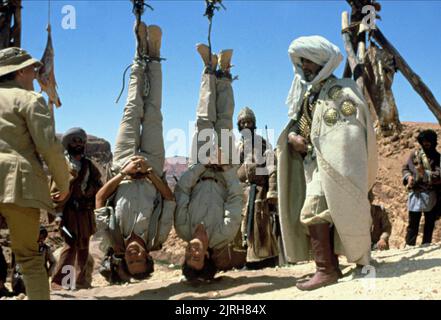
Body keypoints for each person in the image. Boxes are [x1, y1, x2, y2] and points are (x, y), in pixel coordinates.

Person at [276, 36, 378, 291]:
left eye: (309, 61)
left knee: (312, 211)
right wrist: (292, 136)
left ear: (321, 61)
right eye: (302, 62)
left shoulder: (340, 92)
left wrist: (307, 146)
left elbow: (345, 138)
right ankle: (329, 265)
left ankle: (326, 269)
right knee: (320, 211)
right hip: (313, 166)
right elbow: (307, 124)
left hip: (329, 166)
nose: (305, 67)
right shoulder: (312, 94)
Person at [94, 22, 175, 284]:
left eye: (131, 261)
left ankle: (139, 55)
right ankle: (155, 55)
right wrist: (150, 173)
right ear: (149, 257)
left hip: (123, 167)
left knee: (131, 109)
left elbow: (99, 199)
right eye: (140, 259)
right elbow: (169, 199)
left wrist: (125, 173)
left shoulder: (113, 238)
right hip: (151, 167)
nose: (135, 255)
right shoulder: (156, 237)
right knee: (153, 112)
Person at [0, 47, 70, 299]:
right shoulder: (30, 99)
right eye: (32, 69)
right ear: (19, 71)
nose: (36, 74)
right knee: (29, 258)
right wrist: (63, 183)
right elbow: (49, 147)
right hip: (18, 185)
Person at [174, 44, 245, 282]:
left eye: (188, 256)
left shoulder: (183, 228)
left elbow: (183, 190)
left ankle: (207, 69)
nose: (192, 252)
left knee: (204, 120)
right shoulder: (223, 234)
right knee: (224, 121)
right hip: (225, 170)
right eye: (197, 257)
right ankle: (224, 72)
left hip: (200, 167)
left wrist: (203, 165)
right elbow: (235, 198)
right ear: (207, 256)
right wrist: (225, 168)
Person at [50, 128, 102, 290]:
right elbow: (55, 192)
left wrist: (89, 191)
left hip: (85, 213)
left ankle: (82, 281)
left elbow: (98, 185)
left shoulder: (88, 165)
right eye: (75, 141)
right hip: (68, 214)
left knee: (84, 246)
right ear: (68, 143)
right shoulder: (62, 164)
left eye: (81, 141)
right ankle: (60, 282)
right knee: (70, 245)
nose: (79, 144)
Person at [236, 107, 279, 269]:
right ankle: (247, 259)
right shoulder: (237, 146)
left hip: (259, 190)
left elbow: (272, 168)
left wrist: (272, 191)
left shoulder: (262, 144)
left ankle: (263, 260)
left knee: (259, 225)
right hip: (242, 192)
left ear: (254, 124)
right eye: (243, 122)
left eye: (249, 122)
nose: (246, 124)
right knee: (244, 226)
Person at [403, 129, 441, 246]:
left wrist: (425, 174)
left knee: (429, 222)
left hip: (430, 194)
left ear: (433, 142)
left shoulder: (438, 157)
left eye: (428, 141)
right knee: (413, 222)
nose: (426, 144)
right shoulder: (414, 155)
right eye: (424, 141)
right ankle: (410, 246)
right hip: (416, 193)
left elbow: (439, 175)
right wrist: (408, 177)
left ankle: (426, 245)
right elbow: (405, 169)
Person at [12, 225, 56, 295]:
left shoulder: (45, 249)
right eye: (39, 237)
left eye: (43, 238)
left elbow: (53, 262)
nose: (41, 240)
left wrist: (47, 274)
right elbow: (17, 266)